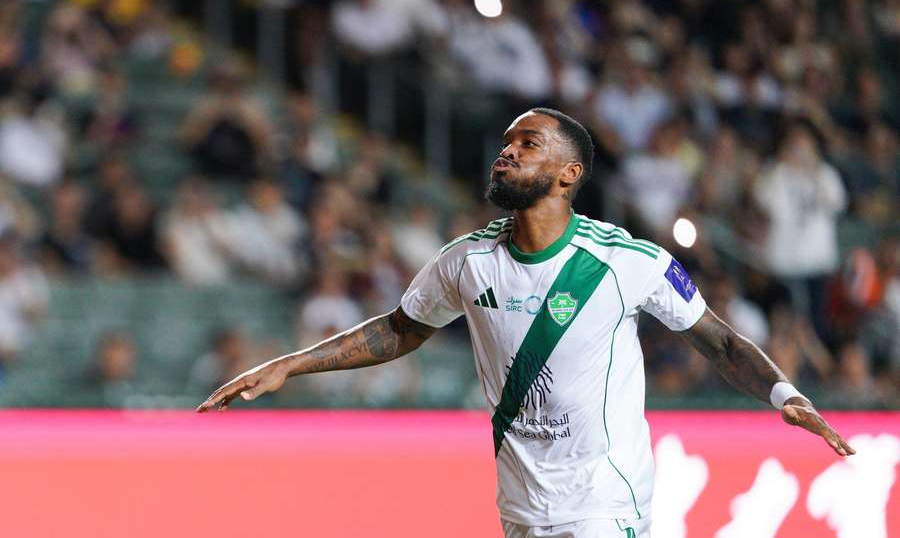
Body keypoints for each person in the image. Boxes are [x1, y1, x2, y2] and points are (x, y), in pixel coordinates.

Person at [197, 108, 855, 537]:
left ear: (568, 175)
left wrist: (785, 396)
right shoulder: (467, 262)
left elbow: (720, 339)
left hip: (604, 507)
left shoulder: (625, 261)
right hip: (519, 508)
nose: (506, 152)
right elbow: (400, 329)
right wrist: (289, 364)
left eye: (527, 144)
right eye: (508, 141)